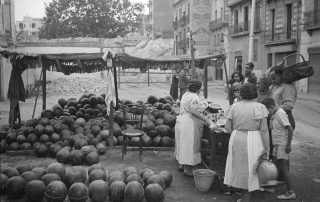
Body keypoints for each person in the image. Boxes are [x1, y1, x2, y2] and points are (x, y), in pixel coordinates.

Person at [224, 83, 270, 202]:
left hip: (237, 137)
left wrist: (235, 134)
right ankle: (246, 197)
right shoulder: (260, 107)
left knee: (240, 167)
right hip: (254, 138)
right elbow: (264, 130)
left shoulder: (235, 106)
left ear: (241, 93)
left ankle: (244, 196)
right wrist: (267, 147)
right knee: (252, 168)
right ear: (255, 93)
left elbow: (227, 126)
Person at [262, 98, 296, 200]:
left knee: (283, 168)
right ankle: (270, 187)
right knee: (274, 165)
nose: (267, 114)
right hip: (277, 145)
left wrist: (288, 145)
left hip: (282, 144)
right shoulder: (274, 114)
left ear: (272, 107)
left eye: (267, 111)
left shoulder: (280, 114)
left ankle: (291, 192)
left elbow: (290, 129)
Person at [175, 80, 210, 176]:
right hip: (189, 123)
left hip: (182, 120)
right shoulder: (195, 97)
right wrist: (205, 119)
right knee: (189, 145)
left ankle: (182, 165)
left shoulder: (185, 94)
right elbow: (194, 112)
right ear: (198, 89)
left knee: (182, 143)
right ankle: (188, 168)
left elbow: (189, 107)